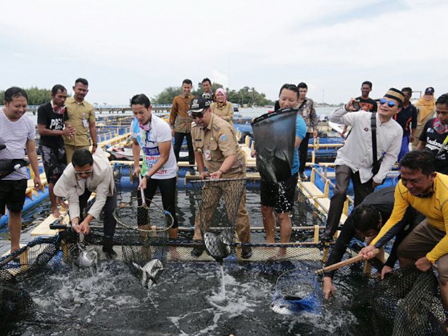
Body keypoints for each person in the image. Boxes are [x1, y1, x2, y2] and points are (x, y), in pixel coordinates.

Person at [361, 151, 448, 313]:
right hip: (436, 224)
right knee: (404, 250)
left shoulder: (446, 194)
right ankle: (414, 297)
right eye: (404, 179)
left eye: (414, 181)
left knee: (444, 273)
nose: (408, 186)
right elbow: (396, 219)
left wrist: (430, 258)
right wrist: (375, 245)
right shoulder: (403, 187)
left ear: (432, 176)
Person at [322, 88, 403, 241]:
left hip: (367, 169)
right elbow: (333, 119)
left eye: (390, 104)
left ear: (398, 109)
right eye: (383, 102)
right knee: (340, 191)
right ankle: (329, 231)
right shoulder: (361, 116)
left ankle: (357, 234)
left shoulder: (396, 130)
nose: (384, 106)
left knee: (363, 204)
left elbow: (391, 156)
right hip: (346, 160)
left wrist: (379, 176)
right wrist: (346, 108)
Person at [322, 186, 423, 299]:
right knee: (370, 242)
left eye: (368, 233)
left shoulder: (394, 212)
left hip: (415, 209)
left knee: (404, 249)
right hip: (385, 204)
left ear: (379, 224)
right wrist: (328, 277)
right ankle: (382, 269)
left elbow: (400, 238)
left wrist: (390, 264)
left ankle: (410, 288)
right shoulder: (357, 215)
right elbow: (340, 245)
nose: (363, 236)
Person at [189, 96, 252, 259]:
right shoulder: (194, 127)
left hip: (232, 174)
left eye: (200, 115)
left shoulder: (222, 127)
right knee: (204, 208)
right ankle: (198, 242)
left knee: (236, 212)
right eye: (193, 116)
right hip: (212, 173)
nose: (197, 119)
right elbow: (197, 151)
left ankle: (245, 244)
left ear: (209, 110)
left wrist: (221, 173)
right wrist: (202, 170)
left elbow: (231, 155)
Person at [259, 84, 306, 258]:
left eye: (290, 100)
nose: (286, 103)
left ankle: (282, 249)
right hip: (268, 169)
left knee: (283, 213)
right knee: (266, 208)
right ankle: (270, 241)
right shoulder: (272, 117)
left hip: (286, 172)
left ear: (297, 101)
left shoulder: (299, 123)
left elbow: (289, 146)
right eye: (283, 98)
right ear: (279, 98)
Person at [130, 94, 179, 241]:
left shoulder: (162, 126)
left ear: (150, 108)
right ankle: (145, 243)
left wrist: (147, 176)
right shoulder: (134, 124)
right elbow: (135, 143)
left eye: (141, 112)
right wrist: (137, 165)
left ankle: (173, 246)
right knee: (142, 209)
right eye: (135, 113)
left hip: (166, 173)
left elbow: (163, 157)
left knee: (169, 210)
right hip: (147, 170)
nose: (138, 116)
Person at [0, 87, 42, 253]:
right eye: (17, 106)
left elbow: (31, 150)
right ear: (6, 103)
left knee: (16, 212)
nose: (21, 110)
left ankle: (15, 248)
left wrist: (37, 175)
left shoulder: (28, 122)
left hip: (18, 174)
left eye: (24, 106)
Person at [54, 148, 117, 257]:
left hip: (102, 184)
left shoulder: (104, 169)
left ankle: (108, 245)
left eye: (87, 171)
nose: (83, 174)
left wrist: (88, 220)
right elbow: (73, 202)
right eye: (79, 172)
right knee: (75, 213)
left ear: (92, 164)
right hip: (80, 187)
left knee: (110, 211)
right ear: (74, 167)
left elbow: (101, 199)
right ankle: (78, 240)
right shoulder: (68, 174)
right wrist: (75, 222)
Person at [37, 84, 75, 218]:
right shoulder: (43, 109)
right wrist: (62, 131)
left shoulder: (63, 109)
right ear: (52, 95)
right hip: (47, 147)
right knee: (52, 178)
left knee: (63, 174)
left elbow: (65, 123)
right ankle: (54, 207)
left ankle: (60, 199)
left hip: (60, 145)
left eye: (65, 97)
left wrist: (69, 130)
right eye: (60, 97)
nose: (62, 99)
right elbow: (41, 130)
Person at [63, 78, 97, 163]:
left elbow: (92, 126)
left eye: (84, 90)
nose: (81, 92)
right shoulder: (64, 103)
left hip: (83, 143)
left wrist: (95, 144)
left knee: (83, 166)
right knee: (69, 167)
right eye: (79, 89)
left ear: (87, 91)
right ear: (74, 88)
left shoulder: (90, 107)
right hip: (67, 143)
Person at [417, 93, 448, 175]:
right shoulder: (431, 123)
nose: (440, 116)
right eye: (438, 112)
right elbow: (421, 144)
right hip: (427, 172)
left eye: (444, 113)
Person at [169, 79, 195, 166]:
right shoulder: (177, 99)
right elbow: (173, 113)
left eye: (188, 87)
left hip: (191, 127)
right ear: (182, 87)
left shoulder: (194, 99)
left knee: (191, 147)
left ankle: (192, 165)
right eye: (185, 87)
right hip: (179, 127)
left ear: (191, 88)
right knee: (176, 147)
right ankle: (174, 165)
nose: (186, 89)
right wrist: (171, 127)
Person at [296, 82, 318, 181]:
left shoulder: (309, 102)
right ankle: (294, 170)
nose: (302, 93)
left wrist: (315, 129)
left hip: (306, 129)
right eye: (300, 91)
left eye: (304, 91)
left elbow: (313, 115)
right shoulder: (294, 101)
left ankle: (301, 171)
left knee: (303, 151)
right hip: (294, 129)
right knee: (293, 150)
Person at [394, 87, 417, 162]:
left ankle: (402, 169)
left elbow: (414, 123)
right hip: (393, 133)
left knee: (404, 152)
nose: (403, 97)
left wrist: (412, 135)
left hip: (405, 133)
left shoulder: (413, 109)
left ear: (409, 96)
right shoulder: (396, 106)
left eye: (405, 96)